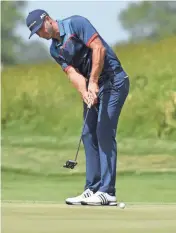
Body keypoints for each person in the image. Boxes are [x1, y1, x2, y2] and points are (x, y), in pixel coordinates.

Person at [26, 9, 130, 206]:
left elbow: (98, 48)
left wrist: (93, 81)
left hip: (114, 80)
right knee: (88, 133)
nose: (41, 34)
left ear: (47, 19)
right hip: (93, 85)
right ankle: (92, 188)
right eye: (37, 33)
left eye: (40, 29)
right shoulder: (54, 50)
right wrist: (85, 92)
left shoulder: (76, 24)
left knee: (103, 131)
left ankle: (107, 192)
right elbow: (72, 74)